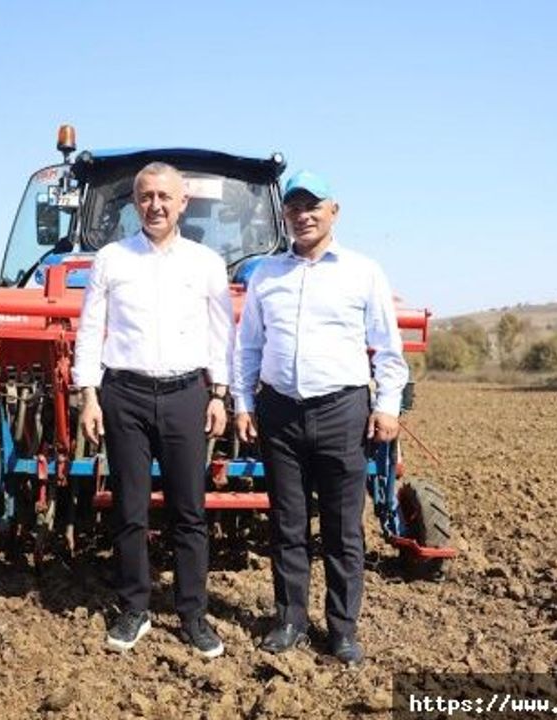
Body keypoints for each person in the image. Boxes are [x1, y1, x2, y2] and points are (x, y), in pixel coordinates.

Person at [231, 170, 408, 666]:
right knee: (287, 524)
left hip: (341, 409)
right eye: (294, 207)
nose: (303, 215)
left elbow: (388, 350)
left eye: (313, 206)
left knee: (343, 527)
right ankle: (288, 620)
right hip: (280, 412)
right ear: (283, 214)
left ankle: (342, 629)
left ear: (334, 210)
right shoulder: (265, 273)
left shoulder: (363, 271)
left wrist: (387, 406)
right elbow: (247, 349)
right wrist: (244, 404)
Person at [74, 161, 232, 658]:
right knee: (130, 509)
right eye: (146, 197)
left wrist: (219, 393)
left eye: (165, 196)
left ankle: (192, 613)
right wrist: (89, 395)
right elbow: (89, 328)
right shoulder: (111, 259)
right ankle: (134, 608)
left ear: (183, 202)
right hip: (125, 395)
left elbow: (220, 331)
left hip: (187, 394)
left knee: (189, 511)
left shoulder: (206, 262)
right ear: (134, 203)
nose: (155, 205)